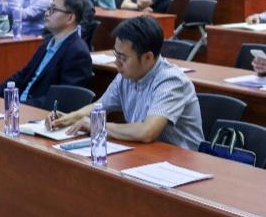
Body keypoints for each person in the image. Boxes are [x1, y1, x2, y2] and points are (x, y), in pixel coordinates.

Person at [48, 15, 203, 149]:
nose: (116, 62)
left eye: (123, 58)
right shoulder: (126, 75)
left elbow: (147, 132)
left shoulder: (171, 81)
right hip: (146, 153)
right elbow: (99, 106)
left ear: (148, 57)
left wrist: (97, 125)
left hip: (181, 161)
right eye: (116, 55)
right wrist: (68, 118)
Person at [0, 0, 95, 106]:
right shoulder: (48, 41)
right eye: (48, 9)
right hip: (21, 106)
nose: (46, 13)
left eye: (53, 10)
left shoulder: (77, 52)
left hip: (37, 111)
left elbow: (63, 99)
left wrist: (23, 105)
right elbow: (23, 75)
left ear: (70, 18)